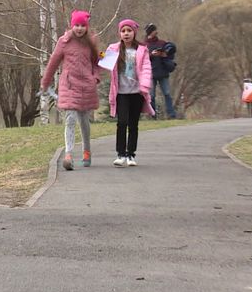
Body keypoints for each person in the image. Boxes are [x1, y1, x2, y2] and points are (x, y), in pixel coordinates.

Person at [40, 10, 100, 171]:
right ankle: (68, 154)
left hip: (87, 85)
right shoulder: (64, 41)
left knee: (84, 121)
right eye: (76, 25)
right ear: (71, 25)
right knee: (70, 118)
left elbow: (97, 62)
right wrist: (45, 82)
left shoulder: (91, 42)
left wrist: (95, 78)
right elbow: (53, 62)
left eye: (82, 25)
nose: (79, 28)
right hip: (69, 84)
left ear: (86, 27)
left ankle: (86, 151)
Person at [107, 19, 154, 167]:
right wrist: (98, 53)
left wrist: (145, 85)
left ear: (134, 32)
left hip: (136, 93)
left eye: (129, 31)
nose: (126, 34)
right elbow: (101, 62)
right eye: (123, 31)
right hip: (121, 93)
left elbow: (146, 68)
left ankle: (131, 154)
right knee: (122, 123)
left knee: (133, 124)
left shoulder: (141, 50)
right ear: (119, 34)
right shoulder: (114, 49)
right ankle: (120, 154)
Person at [144, 23, 177, 119]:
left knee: (167, 94)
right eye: (154, 30)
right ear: (151, 32)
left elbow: (171, 52)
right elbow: (140, 58)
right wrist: (151, 54)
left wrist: (165, 54)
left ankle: (171, 114)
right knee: (151, 95)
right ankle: (153, 115)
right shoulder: (144, 45)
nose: (156, 31)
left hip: (163, 72)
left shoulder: (162, 43)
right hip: (150, 74)